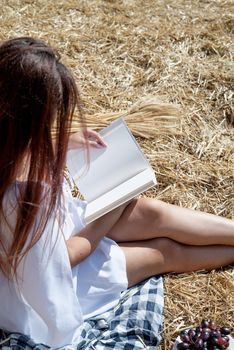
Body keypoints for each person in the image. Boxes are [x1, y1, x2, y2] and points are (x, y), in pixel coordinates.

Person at [0, 37, 233, 349]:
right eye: (46, 124)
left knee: (150, 212)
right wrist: (109, 212)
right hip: (38, 287)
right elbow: (61, 261)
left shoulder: (7, 146)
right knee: (162, 252)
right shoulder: (20, 201)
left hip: (46, 237)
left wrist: (65, 142)